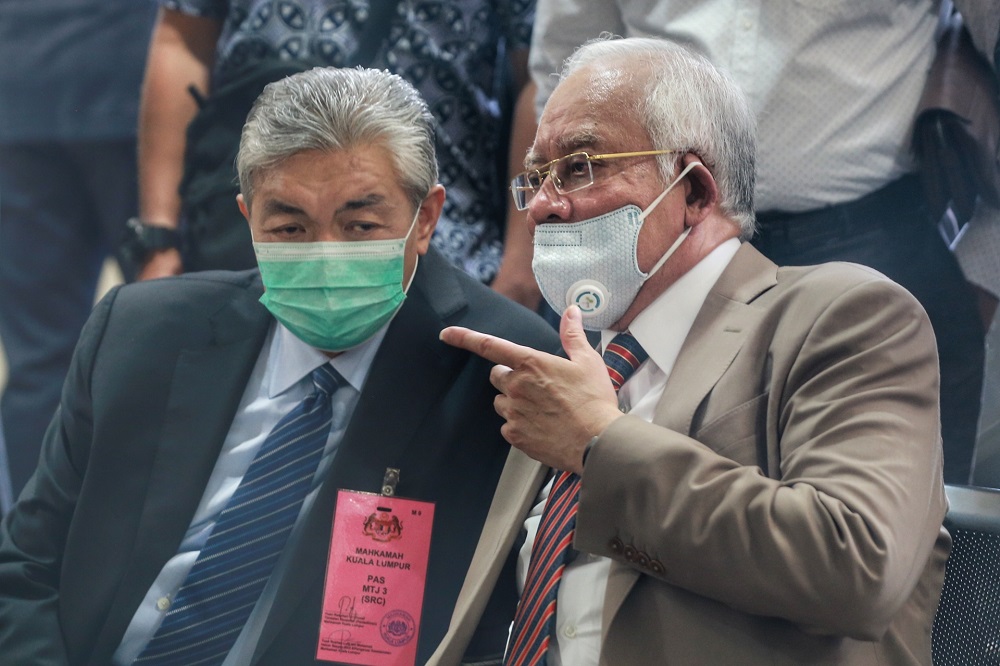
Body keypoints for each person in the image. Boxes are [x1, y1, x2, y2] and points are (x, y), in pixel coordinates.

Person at [0, 66, 559, 665]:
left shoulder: (498, 370)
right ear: (248, 219)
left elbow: (497, 628)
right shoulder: (142, 332)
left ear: (425, 218)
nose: (325, 255)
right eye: (290, 227)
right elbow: (28, 567)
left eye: (360, 225)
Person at [441, 37, 950, 664]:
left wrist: (601, 445)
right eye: (536, 178)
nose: (543, 206)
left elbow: (856, 568)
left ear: (696, 192)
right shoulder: (568, 366)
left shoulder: (844, 315)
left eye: (580, 167)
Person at [528, 0, 992, 484]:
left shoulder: (879, 319)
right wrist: (578, 181)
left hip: (873, 239)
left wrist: (984, 269)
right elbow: (566, 58)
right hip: (648, 244)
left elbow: (847, 548)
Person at [133, 0, 542, 310]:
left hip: (445, 239)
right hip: (252, 230)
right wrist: (159, 236)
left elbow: (538, 73)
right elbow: (182, 39)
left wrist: (522, 264)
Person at [0, 0, 157, 510]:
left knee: (38, 358)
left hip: (22, 88)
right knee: (173, 340)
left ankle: (29, 557)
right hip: (133, 84)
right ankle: (154, 540)